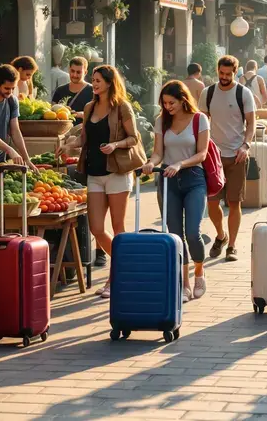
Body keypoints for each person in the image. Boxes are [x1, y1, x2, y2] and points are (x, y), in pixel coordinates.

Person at [70, 64, 144, 299]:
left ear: (110, 82)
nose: (95, 82)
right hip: (94, 173)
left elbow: (134, 138)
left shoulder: (122, 107)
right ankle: (127, 265)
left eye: (99, 79)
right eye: (93, 78)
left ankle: (114, 281)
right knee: (97, 229)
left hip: (117, 173)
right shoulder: (89, 106)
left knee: (118, 229)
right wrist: (66, 145)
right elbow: (84, 138)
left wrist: (115, 145)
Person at [143, 81, 212, 303]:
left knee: (193, 232)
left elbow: (202, 154)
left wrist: (180, 164)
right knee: (175, 234)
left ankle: (199, 272)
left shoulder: (199, 119)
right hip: (168, 181)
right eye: (164, 103)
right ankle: (184, 283)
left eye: (171, 102)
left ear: (183, 99)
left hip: (193, 179)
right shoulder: (161, 121)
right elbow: (158, 153)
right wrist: (149, 163)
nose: (168, 106)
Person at [198, 55, 256, 262]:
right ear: (217, 71)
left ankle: (231, 245)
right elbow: (202, 123)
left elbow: (251, 124)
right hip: (213, 157)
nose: (224, 77)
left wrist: (245, 146)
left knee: (234, 202)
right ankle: (220, 236)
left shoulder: (243, 93)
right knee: (212, 202)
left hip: (237, 155)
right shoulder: (208, 92)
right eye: (221, 73)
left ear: (235, 72)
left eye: (228, 74)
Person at [51, 56, 94, 120]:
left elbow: (98, 114)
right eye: (72, 71)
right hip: (63, 129)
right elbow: (52, 113)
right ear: (69, 70)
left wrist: (81, 114)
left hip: (82, 129)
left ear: (85, 72)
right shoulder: (60, 90)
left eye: (78, 72)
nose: (74, 75)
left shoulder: (92, 91)